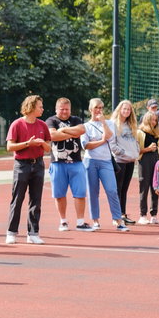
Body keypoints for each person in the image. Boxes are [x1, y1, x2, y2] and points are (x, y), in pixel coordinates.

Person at [5, 95, 51, 244]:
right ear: (31, 107)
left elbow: (48, 148)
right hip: (22, 164)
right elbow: (9, 147)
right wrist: (27, 143)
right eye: (40, 106)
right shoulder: (17, 124)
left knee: (36, 200)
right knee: (17, 199)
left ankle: (33, 233)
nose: (42, 109)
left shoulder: (43, 125)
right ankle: (11, 232)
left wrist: (41, 143)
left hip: (38, 164)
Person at [81, 98, 130, 232]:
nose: (99, 110)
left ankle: (118, 220)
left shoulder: (109, 123)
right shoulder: (85, 126)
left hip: (106, 161)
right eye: (96, 107)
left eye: (101, 108)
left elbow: (109, 137)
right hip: (90, 161)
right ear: (91, 109)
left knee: (112, 190)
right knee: (92, 191)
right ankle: (95, 220)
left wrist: (102, 122)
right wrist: (101, 141)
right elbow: (86, 146)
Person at [45, 98, 93, 232]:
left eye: (67, 109)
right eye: (62, 109)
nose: (64, 112)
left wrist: (63, 131)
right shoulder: (51, 121)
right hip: (58, 163)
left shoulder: (76, 119)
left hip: (76, 163)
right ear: (56, 109)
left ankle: (80, 222)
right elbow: (52, 135)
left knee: (80, 193)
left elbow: (81, 130)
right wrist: (70, 132)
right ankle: (63, 221)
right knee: (59, 194)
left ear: (70, 109)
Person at [110, 99, 140, 225]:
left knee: (125, 189)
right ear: (119, 110)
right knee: (118, 188)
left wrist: (136, 152)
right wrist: (124, 153)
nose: (127, 111)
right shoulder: (113, 124)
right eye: (124, 109)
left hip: (130, 160)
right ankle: (116, 217)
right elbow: (112, 145)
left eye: (129, 109)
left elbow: (135, 142)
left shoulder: (131, 125)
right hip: (119, 160)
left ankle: (122, 214)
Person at [135, 109, 159, 224]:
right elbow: (136, 151)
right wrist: (148, 149)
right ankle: (142, 215)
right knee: (144, 187)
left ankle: (154, 214)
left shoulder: (158, 132)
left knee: (155, 187)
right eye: (152, 120)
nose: (154, 122)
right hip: (144, 161)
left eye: (155, 120)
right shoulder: (140, 132)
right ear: (147, 120)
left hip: (156, 160)